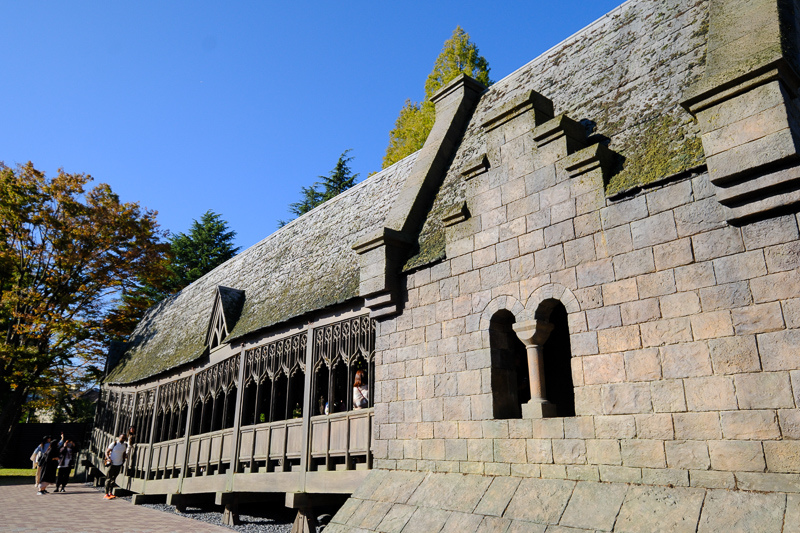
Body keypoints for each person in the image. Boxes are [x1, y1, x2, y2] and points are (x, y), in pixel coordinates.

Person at [104, 434, 127, 500]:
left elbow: (124, 453)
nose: (123, 439)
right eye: (122, 438)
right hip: (112, 463)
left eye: (124, 438)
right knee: (108, 478)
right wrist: (108, 458)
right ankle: (106, 493)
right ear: (119, 437)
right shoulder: (114, 443)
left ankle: (111, 492)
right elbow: (107, 451)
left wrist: (123, 461)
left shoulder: (125, 445)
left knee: (114, 479)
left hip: (119, 464)